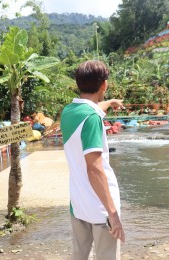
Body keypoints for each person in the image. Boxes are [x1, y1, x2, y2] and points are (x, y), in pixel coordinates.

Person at [60, 60, 125, 259]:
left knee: (79, 255)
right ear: (103, 85)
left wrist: (111, 102)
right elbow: (95, 169)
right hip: (100, 208)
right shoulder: (92, 119)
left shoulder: (69, 112)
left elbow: (94, 108)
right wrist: (113, 214)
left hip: (78, 205)